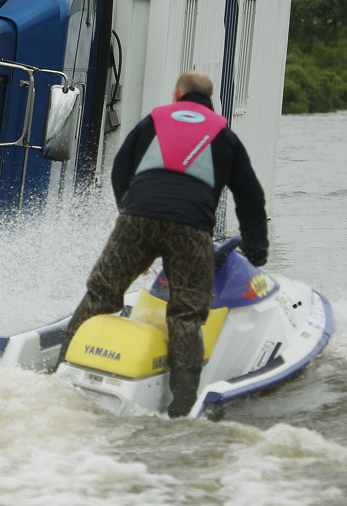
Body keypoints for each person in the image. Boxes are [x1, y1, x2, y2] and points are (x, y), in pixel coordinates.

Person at [59, 70, 269, 417]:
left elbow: (120, 170)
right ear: (209, 99)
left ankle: (59, 372)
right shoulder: (223, 133)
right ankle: (182, 408)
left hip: (137, 217)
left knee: (101, 293)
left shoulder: (154, 120)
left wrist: (131, 221)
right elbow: (250, 197)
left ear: (177, 94)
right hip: (191, 228)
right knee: (186, 315)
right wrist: (257, 251)